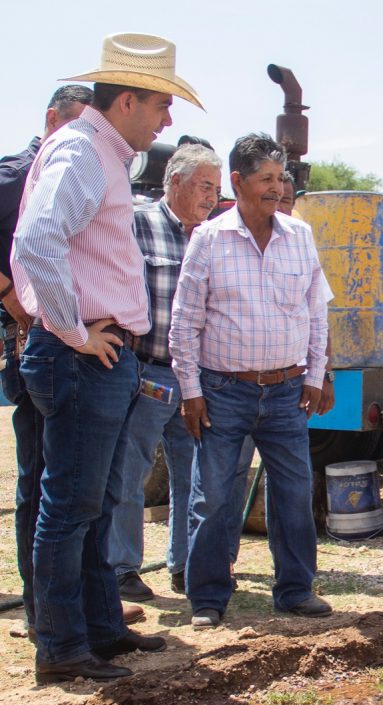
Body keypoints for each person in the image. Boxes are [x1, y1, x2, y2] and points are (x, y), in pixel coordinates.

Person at [11, 33, 203, 684]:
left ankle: (99, 629)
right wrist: (73, 331)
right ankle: (63, 649)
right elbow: (36, 242)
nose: (167, 119)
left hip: (98, 354)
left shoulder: (98, 153)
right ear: (127, 101)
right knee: (69, 506)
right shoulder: (83, 151)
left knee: (87, 503)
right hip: (82, 357)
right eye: (160, 105)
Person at [169, 132, 331, 628]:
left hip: (286, 392)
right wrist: (192, 393)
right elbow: (184, 322)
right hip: (223, 392)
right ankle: (209, 599)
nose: (276, 188)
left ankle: (295, 590)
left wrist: (315, 374)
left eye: (281, 179)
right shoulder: (209, 239)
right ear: (237, 182)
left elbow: (315, 312)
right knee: (214, 497)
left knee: (293, 493)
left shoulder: (298, 236)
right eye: (265, 179)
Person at [107, 144, 222, 602]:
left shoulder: (213, 237)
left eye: (217, 188)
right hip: (148, 371)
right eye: (204, 186)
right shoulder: (138, 224)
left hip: (198, 380)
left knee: (194, 475)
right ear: (173, 182)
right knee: (130, 470)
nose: (212, 196)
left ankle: (185, 566)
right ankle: (122, 569)